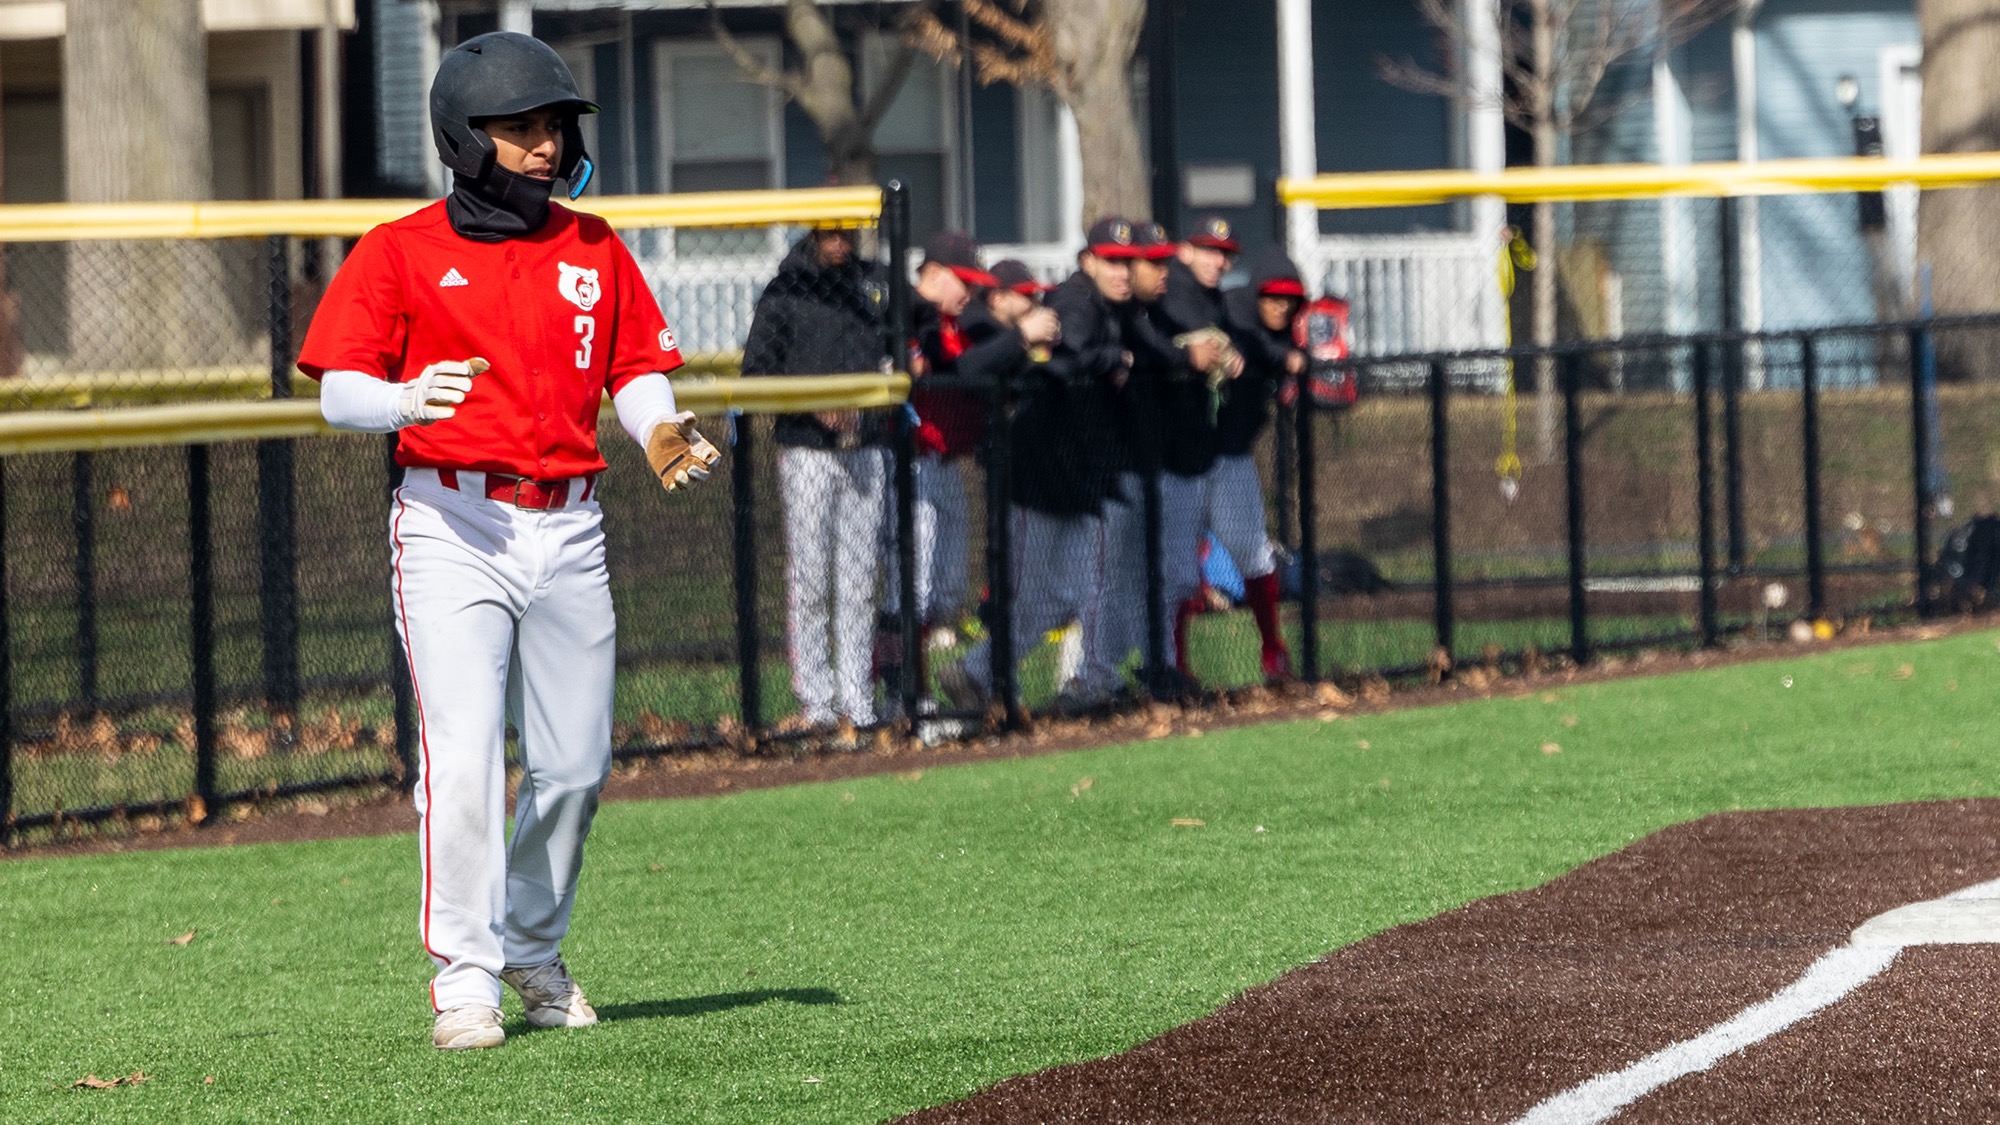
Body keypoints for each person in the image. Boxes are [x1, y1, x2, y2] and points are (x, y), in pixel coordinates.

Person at [297, 31, 718, 1051]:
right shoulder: (400, 250)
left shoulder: (593, 246)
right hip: (452, 524)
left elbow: (634, 372)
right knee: (466, 755)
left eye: (550, 127)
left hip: (569, 523)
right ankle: (467, 976)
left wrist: (659, 428)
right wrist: (400, 399)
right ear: (462, 136)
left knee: (574, 763)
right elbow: (335, 392)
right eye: (519, 128)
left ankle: (533, 944)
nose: (541, 145)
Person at [941, 219, 1136, 711]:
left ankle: (980, 672)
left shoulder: (1090, 307)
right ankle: (982, 675)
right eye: (1112, 260)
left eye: (1127, 262)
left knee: (1069, 593)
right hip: (1032, 480)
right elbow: (1058, 363)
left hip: (1067, 477)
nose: (1122, 271)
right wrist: (1110, 357)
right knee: (1033, 594)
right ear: (1088, 260)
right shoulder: (1073, 303)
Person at [742, 224, 890, 734]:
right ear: (812, 232)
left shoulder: (875, 283)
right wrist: (813, 402)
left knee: (860, 580)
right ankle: (817, 701)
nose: (840, 242)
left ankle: (858, 697)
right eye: (829, 231)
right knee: (809, 579)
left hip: (866, 447)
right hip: (806, 450)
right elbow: (755, 375)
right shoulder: (787, 287)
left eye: (847, 231)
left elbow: (900, 344)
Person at [1096, 221, 1236, 696]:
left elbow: (1158, 350)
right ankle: (1092, 676)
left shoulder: (1150, 312)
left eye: (1161, 260)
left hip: (1150, 464)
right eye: (1150, 262)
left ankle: (1152, 667)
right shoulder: (1112, 312)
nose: (1163, 271)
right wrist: (1184, 359)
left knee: (1148, 578)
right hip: (1110, 468)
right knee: (1103, 582)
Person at [1219, 245, 1311, 681]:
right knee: (1174, 572)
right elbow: (1242, 338)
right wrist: (1280, 359)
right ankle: (1172, 667)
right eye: (1272, 297)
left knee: (1255, 555)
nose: (1280, 305)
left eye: (1288, 299)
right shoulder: (1236, 308)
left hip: (1232, 460)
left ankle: (1273, 649)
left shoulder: (1284, 332)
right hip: (1180, 462)